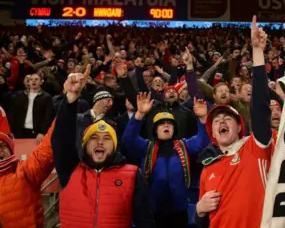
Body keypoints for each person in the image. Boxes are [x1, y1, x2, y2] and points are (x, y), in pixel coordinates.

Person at [195, 16, 275, 228]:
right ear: (212, 132)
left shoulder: (254, 147)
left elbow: (259, 108)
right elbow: (204, 223)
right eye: (217, 120)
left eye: (227, 118)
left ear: (240, 126)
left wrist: (258, 53)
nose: (221, 121)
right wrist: (198, 210)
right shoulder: (206, 170)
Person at [52, 65, 155, 228]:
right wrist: (71, 98)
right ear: (84, 145)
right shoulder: (70, 171)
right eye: (93, 138)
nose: (100, 142)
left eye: (107, 138)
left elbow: (145, 222)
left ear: (114, 146)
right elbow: (61, 138)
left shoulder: (133, 175)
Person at [122, 92, 210, 228]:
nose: (166, 126)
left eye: (170, 123)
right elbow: (128, 139)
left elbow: (202, 141)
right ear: (155, 130)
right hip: (153, 210)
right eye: (161, 124)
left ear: (174, 129)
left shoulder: (184, 145)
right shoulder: (146, 147)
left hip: (180, 211)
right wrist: (139, 115)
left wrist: (203, 118)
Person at [0, 121, 56, 228]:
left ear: (11, 152)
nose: (0, 149)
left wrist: (66, 110)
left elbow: (46, 150)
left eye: (3, 145)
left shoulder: (25, 172)